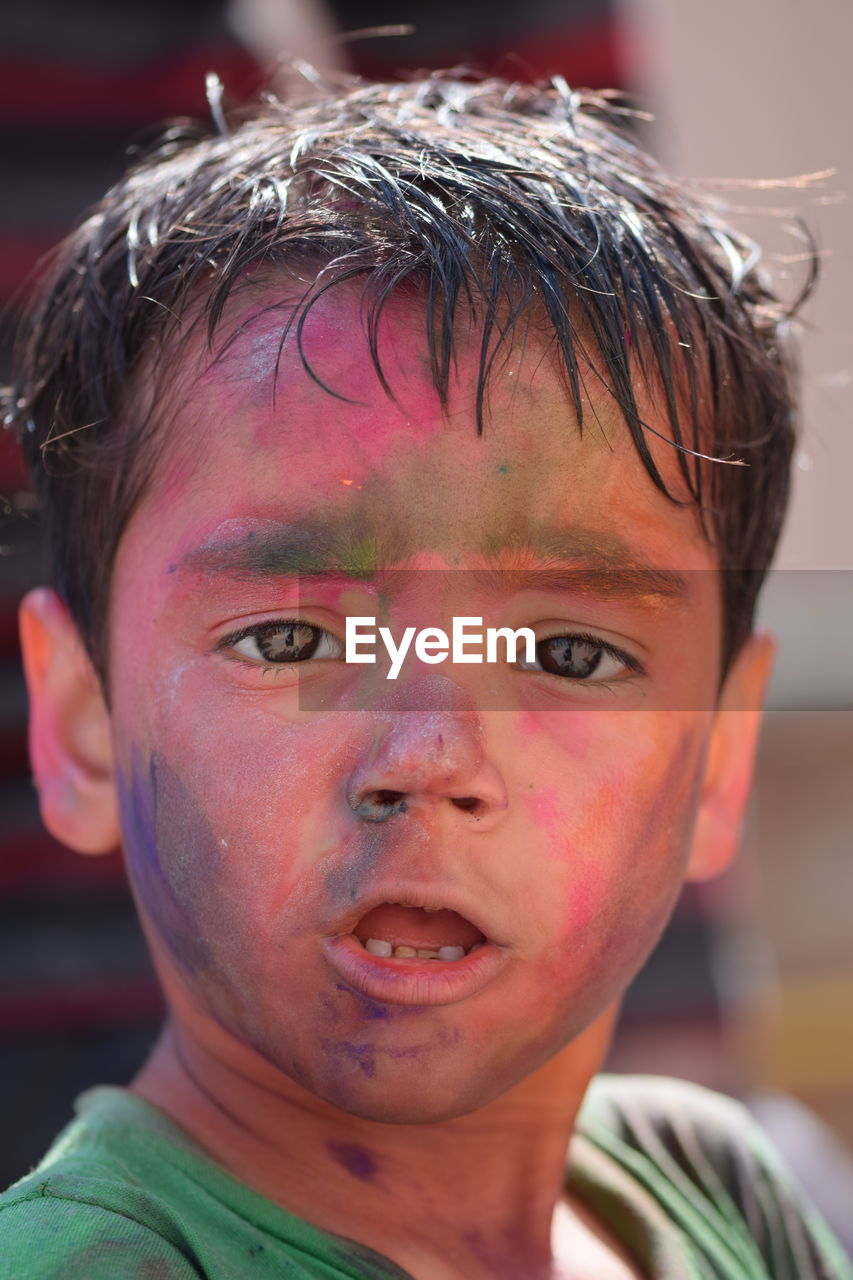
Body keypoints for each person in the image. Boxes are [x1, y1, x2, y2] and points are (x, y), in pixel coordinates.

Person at [2, 70, 850, 1279]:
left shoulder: (718, 1186)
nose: (430, 755)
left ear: (717, 756)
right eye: (291, 642)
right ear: (85, 719)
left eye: (568, 653)